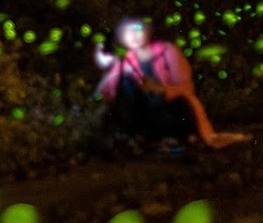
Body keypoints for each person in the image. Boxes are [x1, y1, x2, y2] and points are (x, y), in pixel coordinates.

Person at [94, 16, 249, 155]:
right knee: (126, 82)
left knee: (180, 104)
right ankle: (135, 138)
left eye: (138, 29)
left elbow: (186, 88)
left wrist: (158, 89)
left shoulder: (168, 51)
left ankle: (182, 138)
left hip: (172, 110)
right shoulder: (127, 60)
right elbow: (109, 88)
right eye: (127, 32)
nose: (133, 35)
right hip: (147, 115)